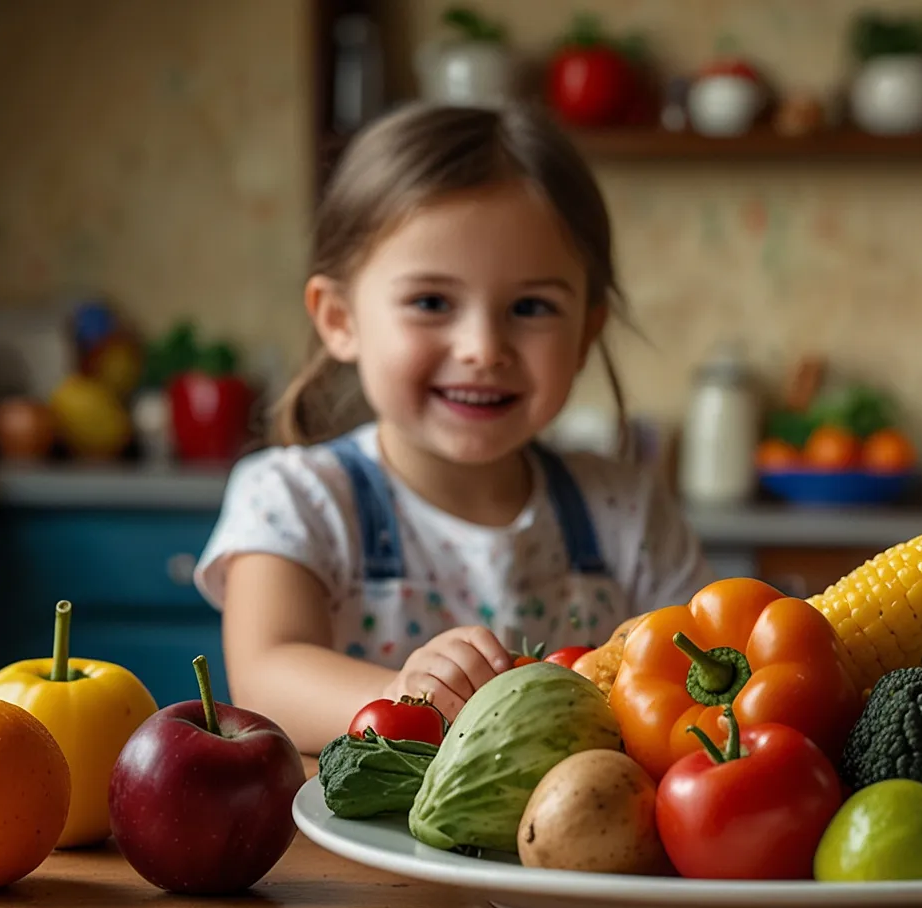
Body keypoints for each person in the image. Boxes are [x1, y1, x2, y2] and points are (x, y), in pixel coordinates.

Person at [195, 102, 712, 754]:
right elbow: (266, 675)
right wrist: (409, 699)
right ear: (339, 318)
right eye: (431, 302)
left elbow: (693, 678)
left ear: (586, 332)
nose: (482, 347)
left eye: (530, 307)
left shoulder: (629, 515)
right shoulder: (296, 499)